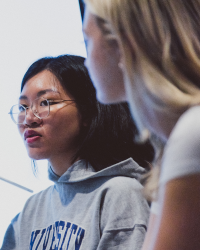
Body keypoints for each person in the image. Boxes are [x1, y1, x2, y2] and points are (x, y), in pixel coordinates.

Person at [0, 55, 154, 249]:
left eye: (46, 102)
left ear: (88, 112)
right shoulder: (31, 211)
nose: (29, 118)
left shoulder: (120, 193)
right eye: (23, 107)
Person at [82, 1, 200, 249]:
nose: (85, 61)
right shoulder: (173, 145)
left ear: (124, 45)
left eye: (88, 42)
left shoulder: (192, 132)